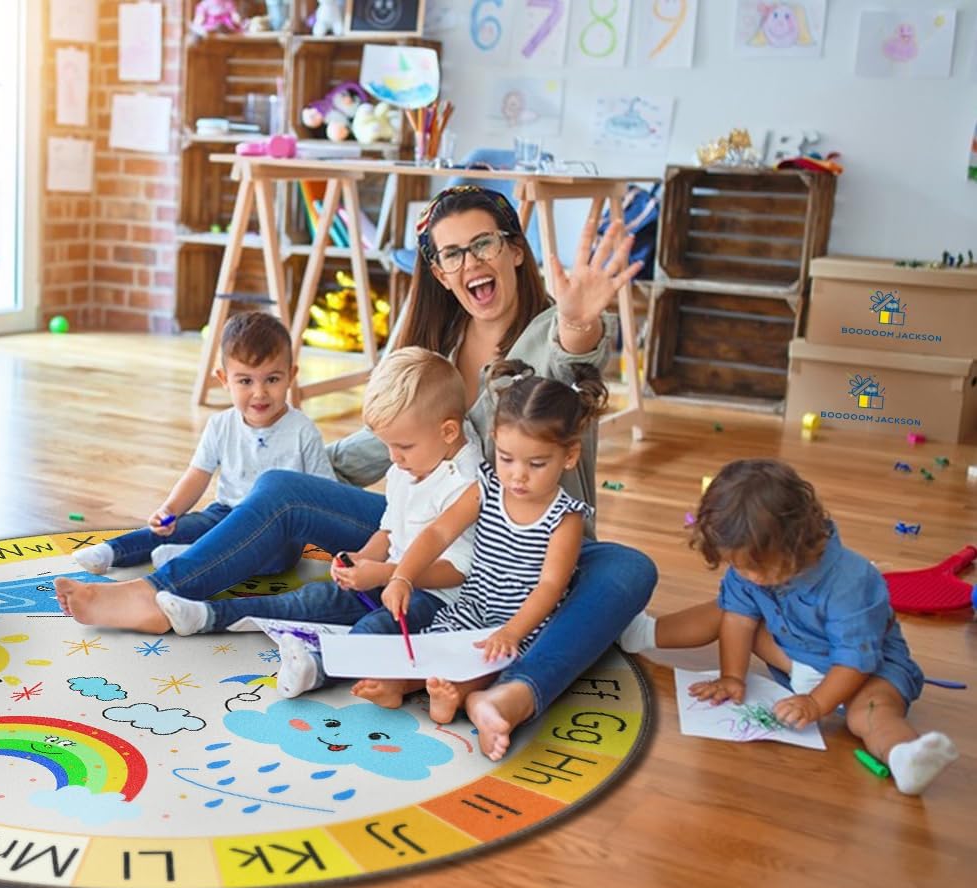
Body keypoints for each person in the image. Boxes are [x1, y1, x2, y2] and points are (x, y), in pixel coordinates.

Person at [56, 186, 656, 760]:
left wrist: (579, 321)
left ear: (514, 251)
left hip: (542, 551)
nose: (470, 260)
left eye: (484, 243)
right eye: (453, 252)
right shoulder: (440, 352)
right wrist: (298, 470)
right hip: (442, 532)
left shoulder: (550, 336)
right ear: (442, 273)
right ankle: (162, 595)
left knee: (629, 570)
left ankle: (516, 691)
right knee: (282, 489)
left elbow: (575, 353)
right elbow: (378, 446)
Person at [619, 459, 958, 795]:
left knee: (869, 714)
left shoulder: (850, 580)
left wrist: (815, 702)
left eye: (756, 567)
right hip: (792, 652)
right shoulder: (753, 564)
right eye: (739, 566)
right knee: (724, 612)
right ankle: (639, 633)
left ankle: (904, 756)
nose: (749, 576)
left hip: (864, 673)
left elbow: (856, 660)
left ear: (796, 540)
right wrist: (732, 676)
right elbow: (738, 619)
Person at [153, 347, 479, 696]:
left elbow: (459, 571)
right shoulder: (408, 463)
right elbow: (389, 530)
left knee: (373, 630)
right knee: (309, 600)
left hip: (438, 600)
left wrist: (388, 574)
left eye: (403, 447)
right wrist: (361, 559)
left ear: (447, 432)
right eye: (388, 447)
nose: (393, 458)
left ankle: (316, 667)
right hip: (389, 580)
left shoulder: (467, 482)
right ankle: (209, 615)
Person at [379, 361, 606, 757]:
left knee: (488, 666)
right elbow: (438, 532)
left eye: (536, 464)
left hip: (521, 623)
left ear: (569, 457)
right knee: (433, 649)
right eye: (506, 458)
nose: (517, 475)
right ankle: (401, 686)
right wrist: (403, 577)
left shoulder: (565, 518)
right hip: (472, 606)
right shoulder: (486, 487)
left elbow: (551, 587)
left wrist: (513, 632)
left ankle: (459, 698)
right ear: (494, 441)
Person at [75, 311, 334, 576]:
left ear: (291, 376)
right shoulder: (220, 425)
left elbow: (326, 494)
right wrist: (170, 510)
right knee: (182, 528)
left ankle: (188, 557)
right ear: (224, 379)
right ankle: (110, 551)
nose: (260, 393)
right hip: (225, 514)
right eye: (245, 381)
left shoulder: (303, 430)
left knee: (278, 556)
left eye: (273, 379)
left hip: (279, 529)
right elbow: (197, 475)